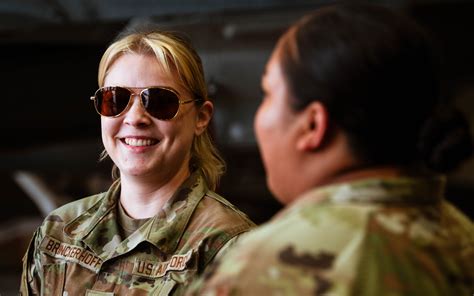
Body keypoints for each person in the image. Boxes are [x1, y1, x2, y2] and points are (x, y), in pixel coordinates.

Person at [192, 3, 474, 295]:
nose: (258, 117)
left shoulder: (263, 264)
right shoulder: (460, 237)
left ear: (312, 126)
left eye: (268, 93)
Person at [20, 29, 255, 295]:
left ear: (201, 117)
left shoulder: (232, 249)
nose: (134, 118)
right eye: (115, 100)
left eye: (159, 101)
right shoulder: (59, 232)